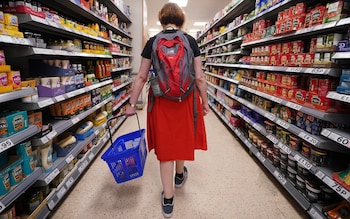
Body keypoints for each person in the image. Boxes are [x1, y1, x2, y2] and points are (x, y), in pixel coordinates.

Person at [125, 3, 209, 218]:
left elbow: (141, 76)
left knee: (166, 146)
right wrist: (205, 102)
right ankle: (179, 176)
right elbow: (199, 77)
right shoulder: (190, 41)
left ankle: (168, 199)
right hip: (187, 99)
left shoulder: (152, 42)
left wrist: (132, 104)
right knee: (181, 138)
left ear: (161, 20)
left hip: (161, 100)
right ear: (181, 20)